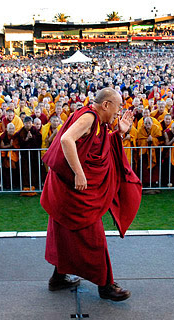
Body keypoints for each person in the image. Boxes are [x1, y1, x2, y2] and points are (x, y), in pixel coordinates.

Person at [41, 87, 141, 301]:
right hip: (72, 190)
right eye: (117, 107)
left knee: (64, 235)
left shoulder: (98, 123)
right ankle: (106, 286)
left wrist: (119, 133)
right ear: (106, 104)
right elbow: (66, 140)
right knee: (94, 238)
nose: (119, 112)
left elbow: (97, 145)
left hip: (65, 190)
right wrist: (78, 173)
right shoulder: (89, 117)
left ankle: (57, 278)